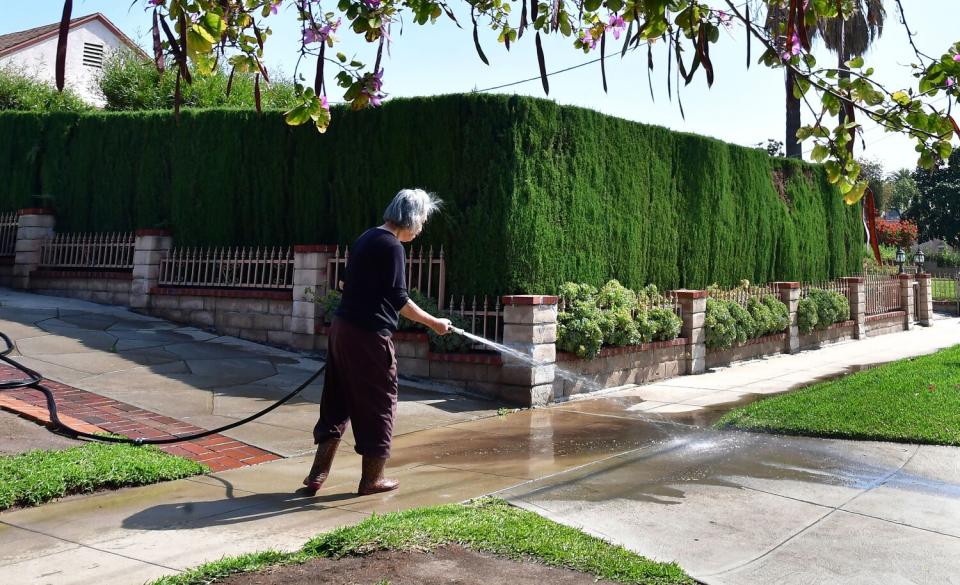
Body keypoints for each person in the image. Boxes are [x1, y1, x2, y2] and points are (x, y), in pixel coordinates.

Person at [303, 188, 452, 495]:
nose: (422, 227)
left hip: (342, 330)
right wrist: (434, 323)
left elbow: (345, 282)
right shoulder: (392, 246)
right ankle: (372, 479)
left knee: (337, 399)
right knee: (379, 402)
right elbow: (399, 299)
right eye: (422, 220)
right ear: (410, 217)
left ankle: (317, 473)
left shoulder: (367, 237)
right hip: (369, 336)